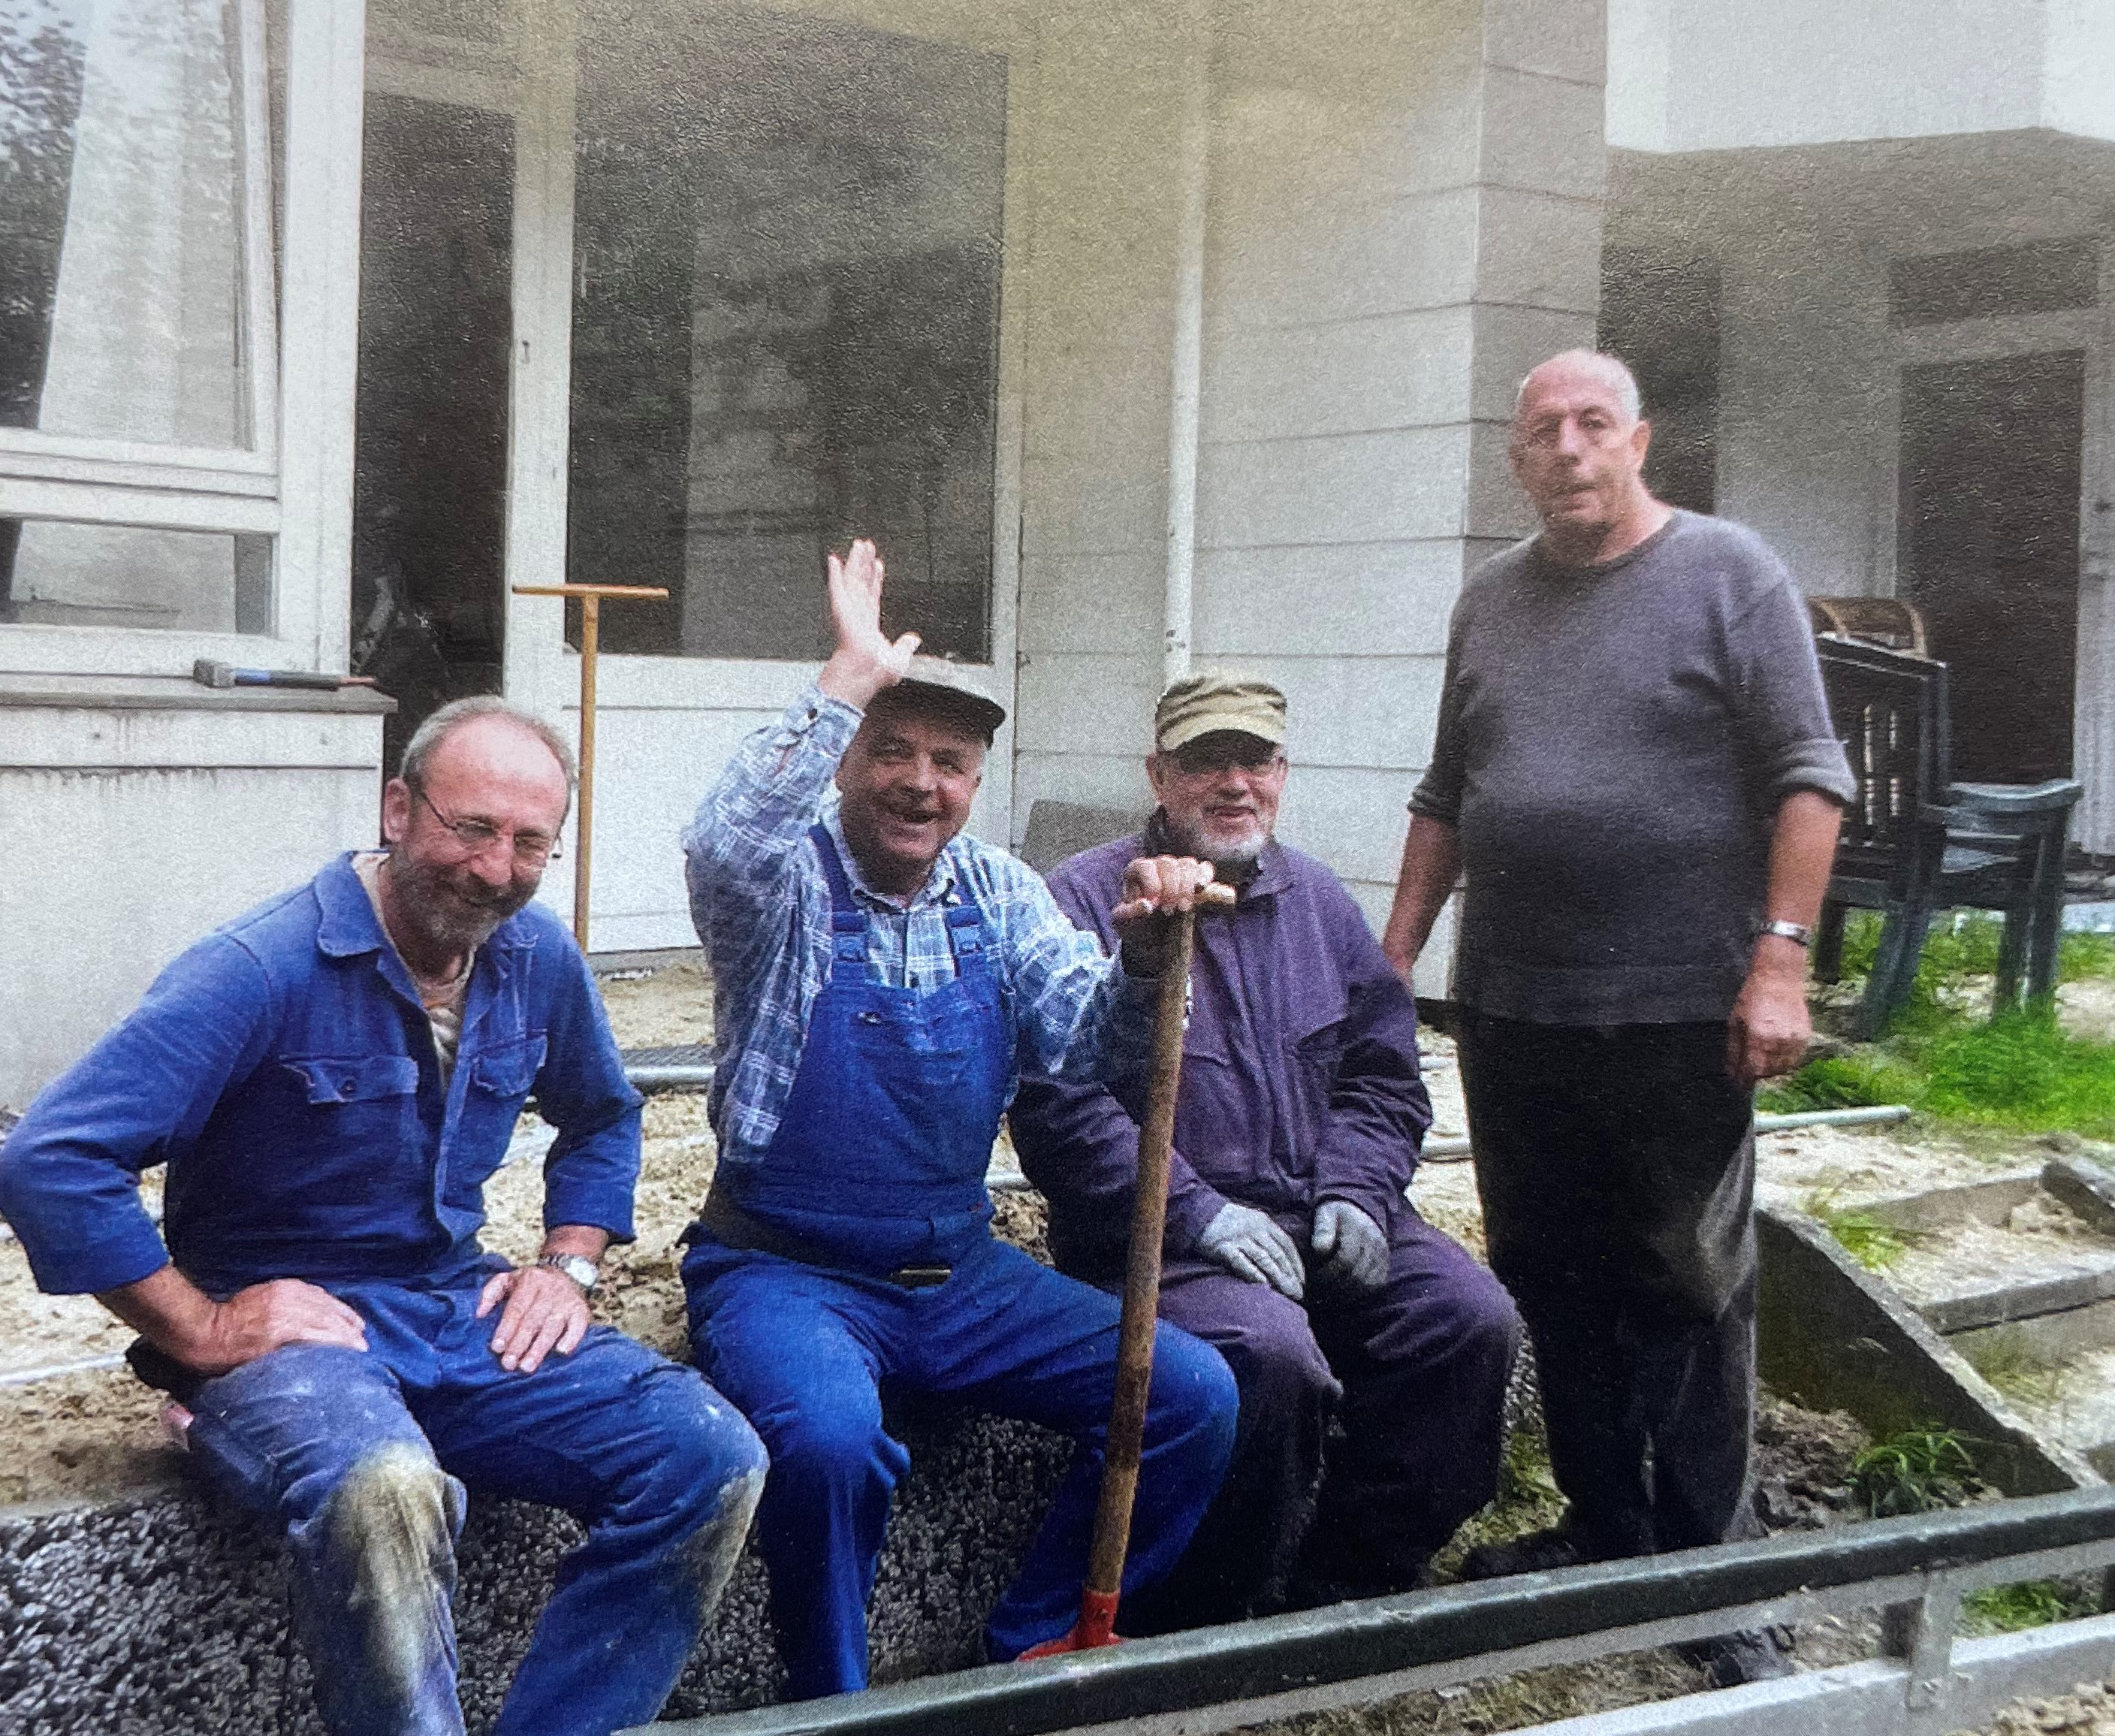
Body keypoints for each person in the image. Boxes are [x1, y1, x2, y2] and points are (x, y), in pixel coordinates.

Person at [0, 697, 768, 1736]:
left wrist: (567, 1262)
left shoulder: (535, 957)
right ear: (398, 808)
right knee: (385, 1486)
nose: (496, 868)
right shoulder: (260, 966)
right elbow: (51, 1161)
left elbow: (603, 1113)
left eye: (531, 841)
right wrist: (200, 1327)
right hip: (294, 1339)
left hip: (454, 1305)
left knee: (709, 1453)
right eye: (471, 827)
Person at [680, 539, 1239, 1695]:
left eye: (950, 760)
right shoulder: (782, 884)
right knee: (829, 1445)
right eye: (892, 749)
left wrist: (1143, 958)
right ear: (845, 764)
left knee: (1190, 1396)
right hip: (786, 1268)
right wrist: (845, 677)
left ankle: (1023, 1654)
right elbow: (719, 840)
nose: (919, 782)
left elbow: (1092, 1044)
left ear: (977, 781)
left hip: (957, 1272)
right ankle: (834, 1708)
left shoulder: (999, 892)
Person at [1380, 349, 1854, 1685]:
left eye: (1596, 424)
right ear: (1518, 459)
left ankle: (1719, 1575)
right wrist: (1395, 956)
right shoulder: (1490, 602)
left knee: (1689, 1288)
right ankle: (1602, 1528)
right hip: (1517, 1009)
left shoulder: (1727, 574)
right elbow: (1445, 793)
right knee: (1552, 1270)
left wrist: (1778, 961)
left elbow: (1809, 778)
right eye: (1546, 431)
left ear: (1639, 441)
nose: (1572, 449)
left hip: (1676, 1011)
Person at [1009, 674, 1519, 1626]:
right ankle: (1217, 1611)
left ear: (1284, 773)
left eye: (1256, 760)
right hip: (1160, 1238)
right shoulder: (1085, 896)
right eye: (1206, 760)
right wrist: (1197, 1210)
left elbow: (1382, 1076)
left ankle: (1347, 1582)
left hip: (1317, 1209)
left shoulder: (1318, 899)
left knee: (1466, 1319)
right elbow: (1057, 1107)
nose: (1234, 782)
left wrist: (1361, 1192)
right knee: (1271, 1360)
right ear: (1158, 775)